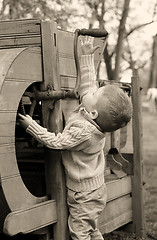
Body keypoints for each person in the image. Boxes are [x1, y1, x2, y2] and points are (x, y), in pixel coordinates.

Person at [18, 36, 132, 240]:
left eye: (95, 94)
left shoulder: (84, 132)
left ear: (93, 112)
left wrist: (32, 127)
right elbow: (88, 86)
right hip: (95, 189)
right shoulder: (92, 115)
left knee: (79, 233)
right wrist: (87, 56)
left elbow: (56, 142)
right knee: (92, 229)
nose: (91, 91)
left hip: (83, 195)